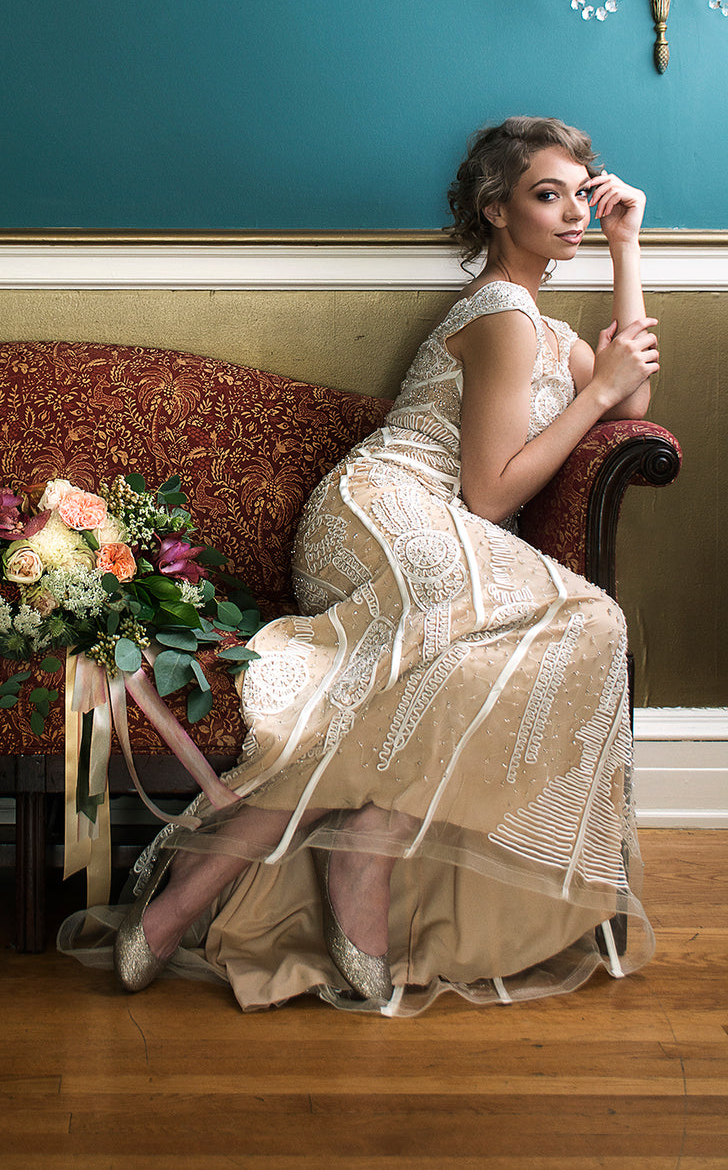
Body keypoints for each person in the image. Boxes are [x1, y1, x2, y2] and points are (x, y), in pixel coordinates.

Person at [59, 116, 660, 1016]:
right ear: (496, 211)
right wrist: (602, 390)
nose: (575, 210)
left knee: (543, 641)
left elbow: (634, 391)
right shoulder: (501, 315)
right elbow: (494, 495)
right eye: (550, 195)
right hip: (382, 510)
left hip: (440, 532)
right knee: (583, 620)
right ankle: (326, 858)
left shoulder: (545, 320)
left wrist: (627, 248)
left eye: (585, 192)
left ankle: (306, 855)